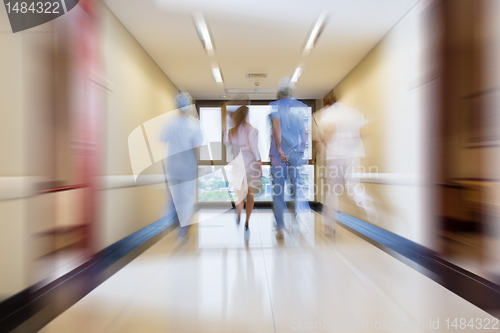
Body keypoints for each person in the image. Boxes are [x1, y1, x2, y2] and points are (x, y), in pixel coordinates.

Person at [317, 93, 378, 237]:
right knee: (352, 186)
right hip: (353, 154)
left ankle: (329, 226)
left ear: (325, 104)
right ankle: (365, 201)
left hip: (335, 156)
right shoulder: (352, 111)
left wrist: (322, 143)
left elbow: (332, 128)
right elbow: (364, 130)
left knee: (333, 191)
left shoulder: (329, 112)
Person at [270, 77, 310, 239]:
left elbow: (276, 125)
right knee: (296, 189)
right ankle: (296, 223)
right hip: (295, 155)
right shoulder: (301, 107)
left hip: (279, 156)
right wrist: (301, 151)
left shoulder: (275, 106)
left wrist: (279, 149)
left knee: (279, 192)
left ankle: (280, 227)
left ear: (280, 93)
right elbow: (304, 133)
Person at [160, 92, 203, 239]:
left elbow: (162, 145)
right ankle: (182, 232)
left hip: (171, 167)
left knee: (174, 197)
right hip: (188, 168)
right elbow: (198, 149)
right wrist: (199, 165)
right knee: (186, 199)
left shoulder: (168, 123)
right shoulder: (194, 126)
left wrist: (163, 166)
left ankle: (172, 218)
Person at [224, 105, 262, 231]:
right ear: (246, 115)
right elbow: (254, 147)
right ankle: (247, 220)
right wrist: (259, 162)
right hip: (250, 162)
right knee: (250, 194)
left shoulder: (232, 131)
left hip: (237, 163)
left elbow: (227, 145)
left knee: (239, 193)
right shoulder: (250, 129)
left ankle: (239, 211)